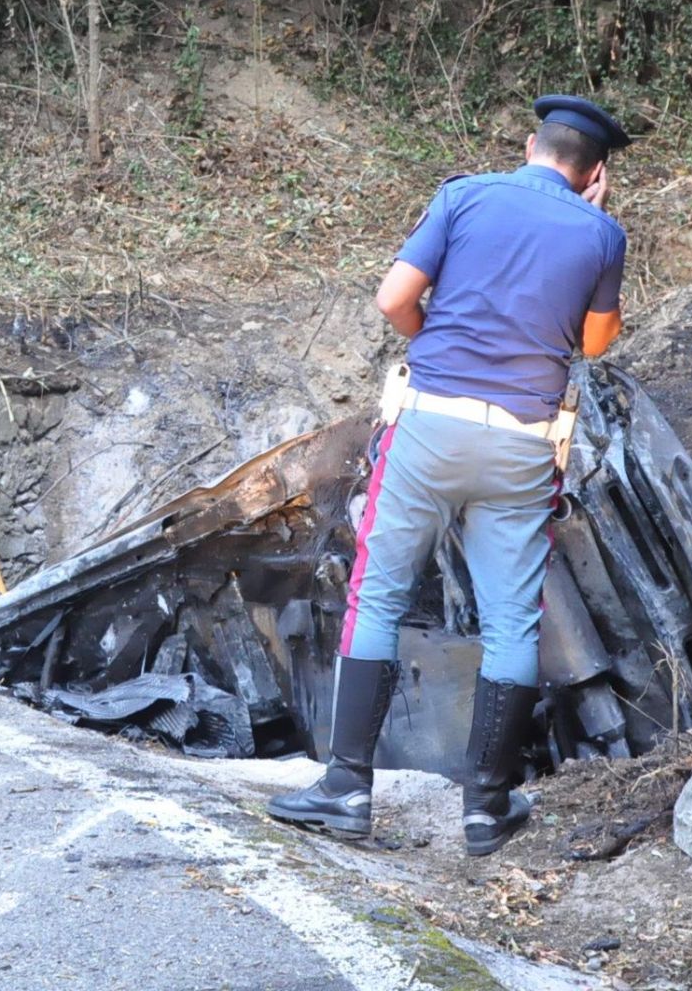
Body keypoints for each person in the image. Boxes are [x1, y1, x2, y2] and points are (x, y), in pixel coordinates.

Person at [267, 94, 630, 854]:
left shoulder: (463, 196)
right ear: (594, 172)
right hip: (524, 446)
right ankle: (485, 809)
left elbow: (393, 298)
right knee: (511, 620)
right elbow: (595, 343)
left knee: (380, 594)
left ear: (531, 144)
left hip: (429, 427)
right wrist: (594, 221)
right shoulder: (603, 233)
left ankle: (346, 789)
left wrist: (438, 340)